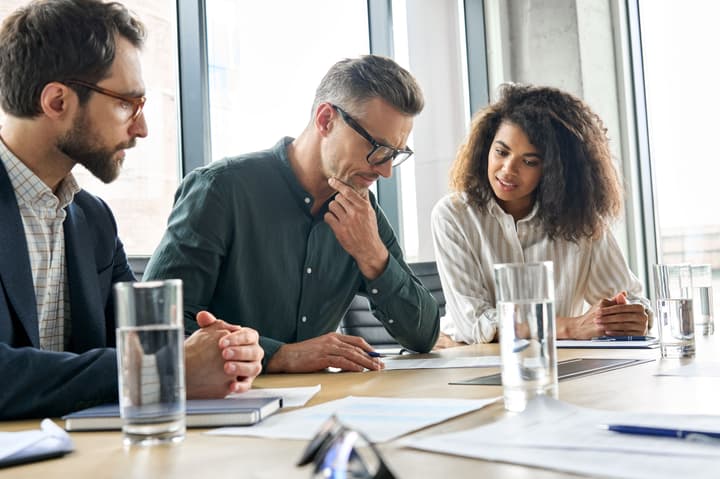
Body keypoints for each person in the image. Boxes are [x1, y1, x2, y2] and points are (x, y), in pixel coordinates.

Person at [0, 0, 262, 420]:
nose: (142, 128)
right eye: (127, 103)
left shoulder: (94, 220)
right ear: (57, 102)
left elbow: (141, 344)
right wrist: (167, 368)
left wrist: (224, 353)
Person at [144, 55, 440, 373]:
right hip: (227, 408)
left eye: (395, 155)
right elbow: (155, 323)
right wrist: (281, 355)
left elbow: (423, 336)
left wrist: (373, 256)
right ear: (326, 120)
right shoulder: (220, 190)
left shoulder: (362, 213)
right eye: (377, 148)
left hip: (321, 410)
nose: (385, 172)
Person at [431, 83, 652, 346]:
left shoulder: (581, 221)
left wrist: (632, 316)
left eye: (529, 161)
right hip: (468, 358)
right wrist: (570, 328)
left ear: (554, 170)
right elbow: (475, 325)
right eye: (501, 152)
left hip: (557, 363)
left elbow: (630, 298)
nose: (508, 170)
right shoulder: (453, 215)